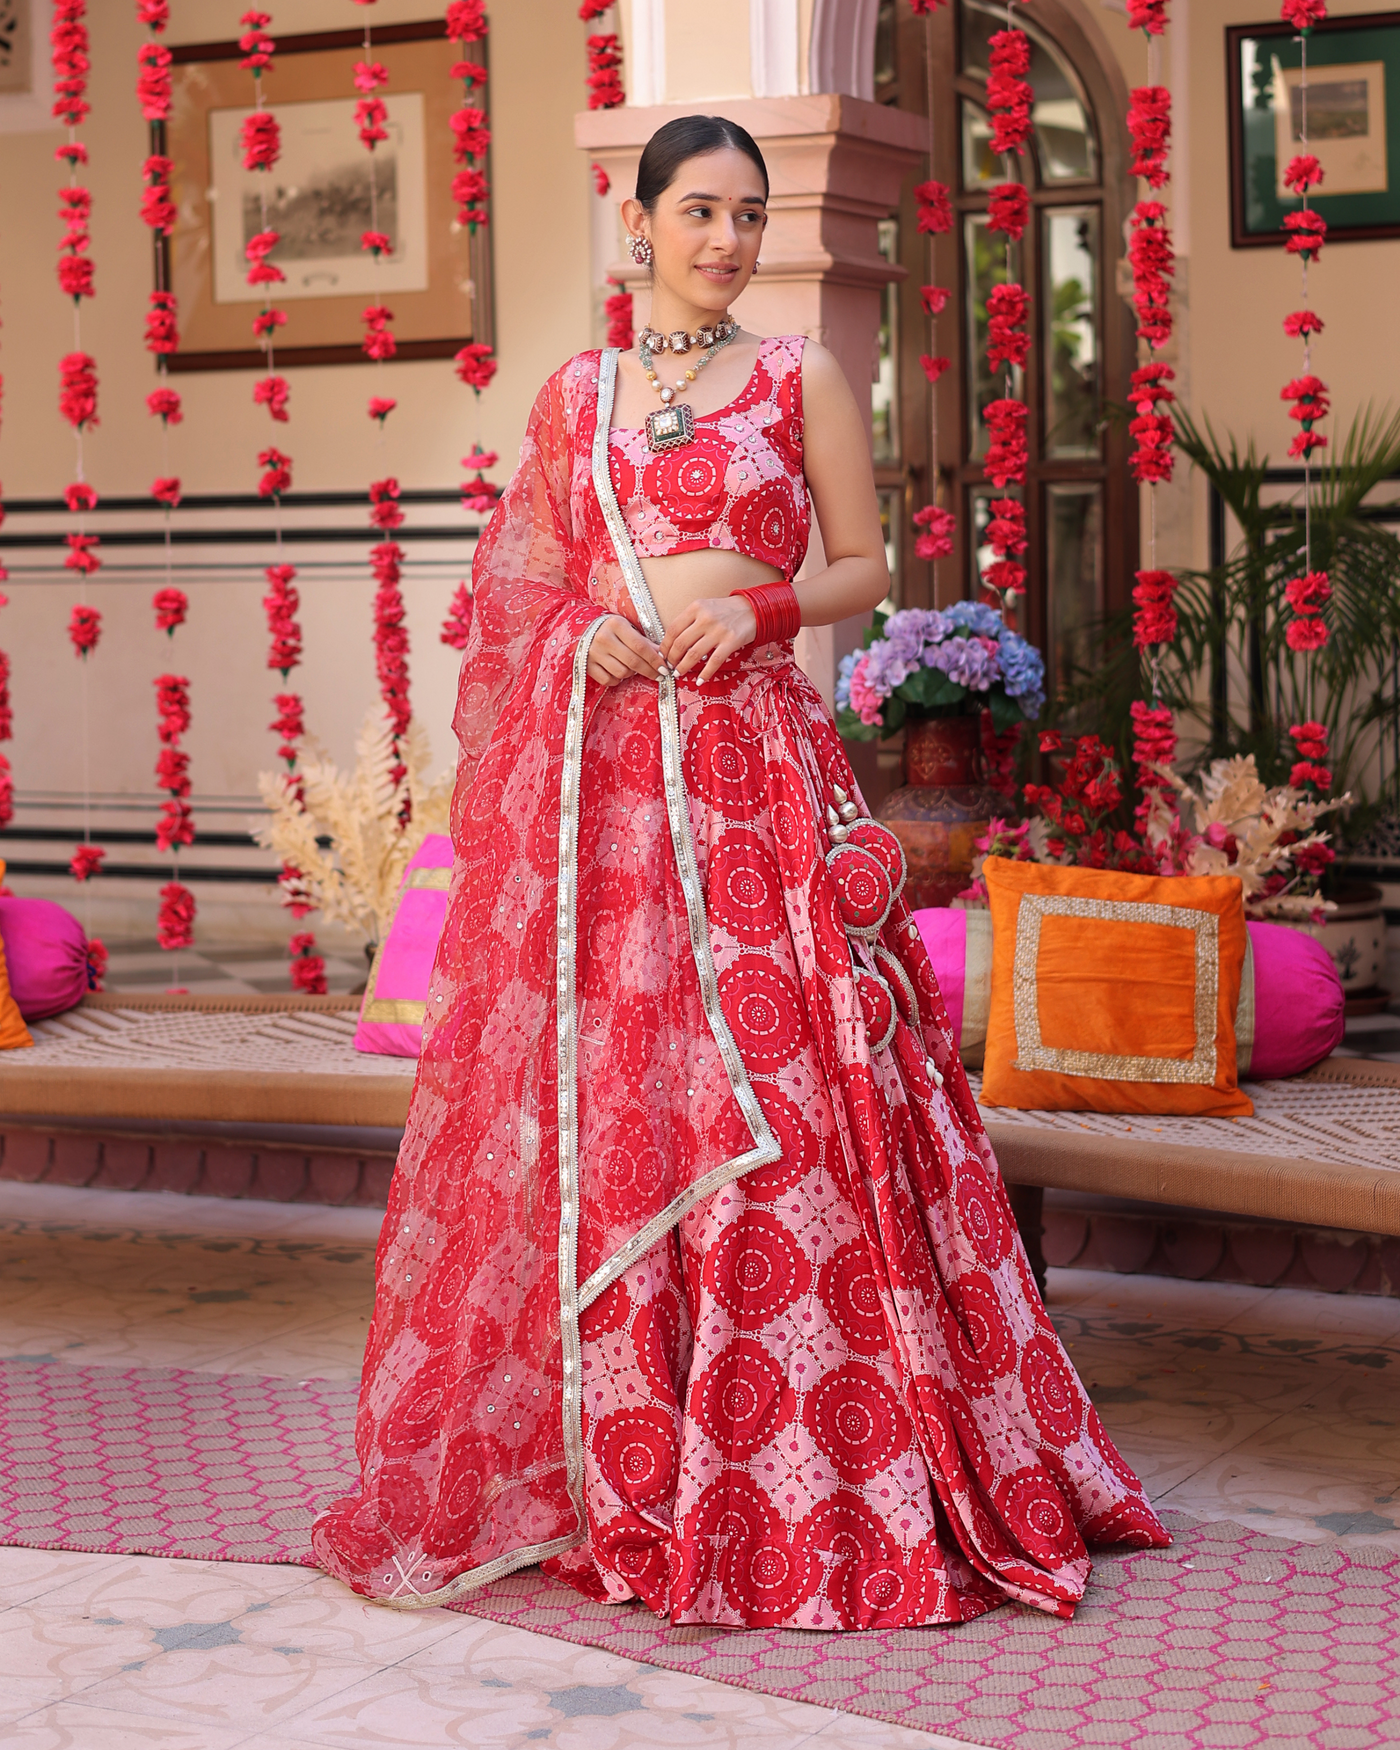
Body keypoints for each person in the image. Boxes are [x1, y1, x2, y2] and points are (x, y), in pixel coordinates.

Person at [312, 114, 1168, 1630]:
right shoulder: (575, 397)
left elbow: (867, 567)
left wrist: (766, 612)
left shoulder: (798, 375)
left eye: (749, 215)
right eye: (700, 211)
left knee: (788, 1085)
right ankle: (633, 1462)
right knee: (624, 1089)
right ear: (637, 223)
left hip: (755, 773)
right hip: (610, 795)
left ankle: (812, 1456)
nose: (727, 240)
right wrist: (585, 633)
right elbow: (521, 589)